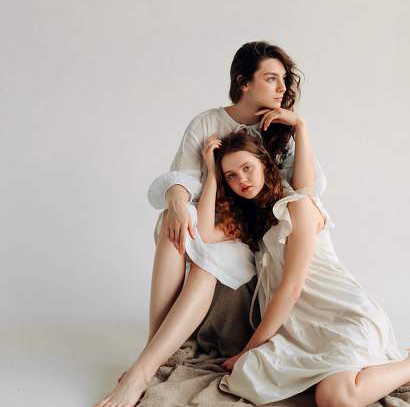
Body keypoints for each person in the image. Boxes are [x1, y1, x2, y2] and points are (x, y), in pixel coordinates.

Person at [94, 41, 327, 407]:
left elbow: (306, 191)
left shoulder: (282, 129)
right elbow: (181, 178)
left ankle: (144, 369)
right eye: (271, 78)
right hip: (212, 225)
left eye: (284, 79)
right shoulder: (207, 122)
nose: (282, 88)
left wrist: (301, 129)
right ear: (243, 82)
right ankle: (153, 351)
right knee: (172, 220)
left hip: (254, 239)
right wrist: (176, 200)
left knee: (207, 263)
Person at [195, 129, 410, 407]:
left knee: (335, 399)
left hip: (344, 317)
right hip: (302, 331)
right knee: (254, 379)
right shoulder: (253, 223)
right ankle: (377, 370)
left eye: (247, 168)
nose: (242, 180)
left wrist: (249, 350)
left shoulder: (298, 206)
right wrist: (211, 173)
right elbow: (205, 232)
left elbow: (291, 288)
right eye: (231, 175)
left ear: (265, 164)